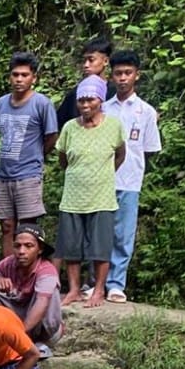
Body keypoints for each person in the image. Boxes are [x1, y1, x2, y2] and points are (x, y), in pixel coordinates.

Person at [55, 77, 126, 308]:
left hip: (101, 197)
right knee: (71, 246)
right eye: (81, 101)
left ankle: (98, 290)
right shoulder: (69, 128)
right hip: (73, 196)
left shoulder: (113, 125)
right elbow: (63, 159)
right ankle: (74, 289)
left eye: (90, 100)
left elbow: (120, 154)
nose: (85, 105)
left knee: (100, 247)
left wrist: (103, 175)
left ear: (100, 100)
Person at [101, 50, 162, 303]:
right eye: (118, 73)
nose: (123, 78)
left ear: (137, 75)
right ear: (111, 76)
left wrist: (134, 172)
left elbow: (149, 150)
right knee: (99, 233)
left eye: (128, 73)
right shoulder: (102, 109)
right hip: (101, 180)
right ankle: (95, 282)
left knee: (123, 234)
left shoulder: (146, 112)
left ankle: (116, 283)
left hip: (130, 181)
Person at [0, 52, 59, 257]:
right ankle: (7, 273)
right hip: (3, 174)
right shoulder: (1, 103)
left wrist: (37, 156)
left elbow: (51, 136)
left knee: (28, 228)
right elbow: (0, 134)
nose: (19, 79)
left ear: (34, 78)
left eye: (24, 75)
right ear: (9, 77)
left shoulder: (42, 103)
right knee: (6, 226)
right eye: (15, 74)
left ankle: (28, 274)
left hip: (28, 174)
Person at [0, 224, 64, 356]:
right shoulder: (9, 262)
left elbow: (42, 303)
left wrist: (18, 335)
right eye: (17, 246)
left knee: (50, 293)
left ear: (40, 249)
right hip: (16, 317)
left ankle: (39, 343)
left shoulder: (46, 270)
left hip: (39, 328)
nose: (21, 251)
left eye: (28, 246)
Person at [56, 36, 116, 130]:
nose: (86, 65)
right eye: (84, 61)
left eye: (91, 60)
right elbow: (59, 124)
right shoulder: (74, 94)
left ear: (105, 61)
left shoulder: (115, 93)